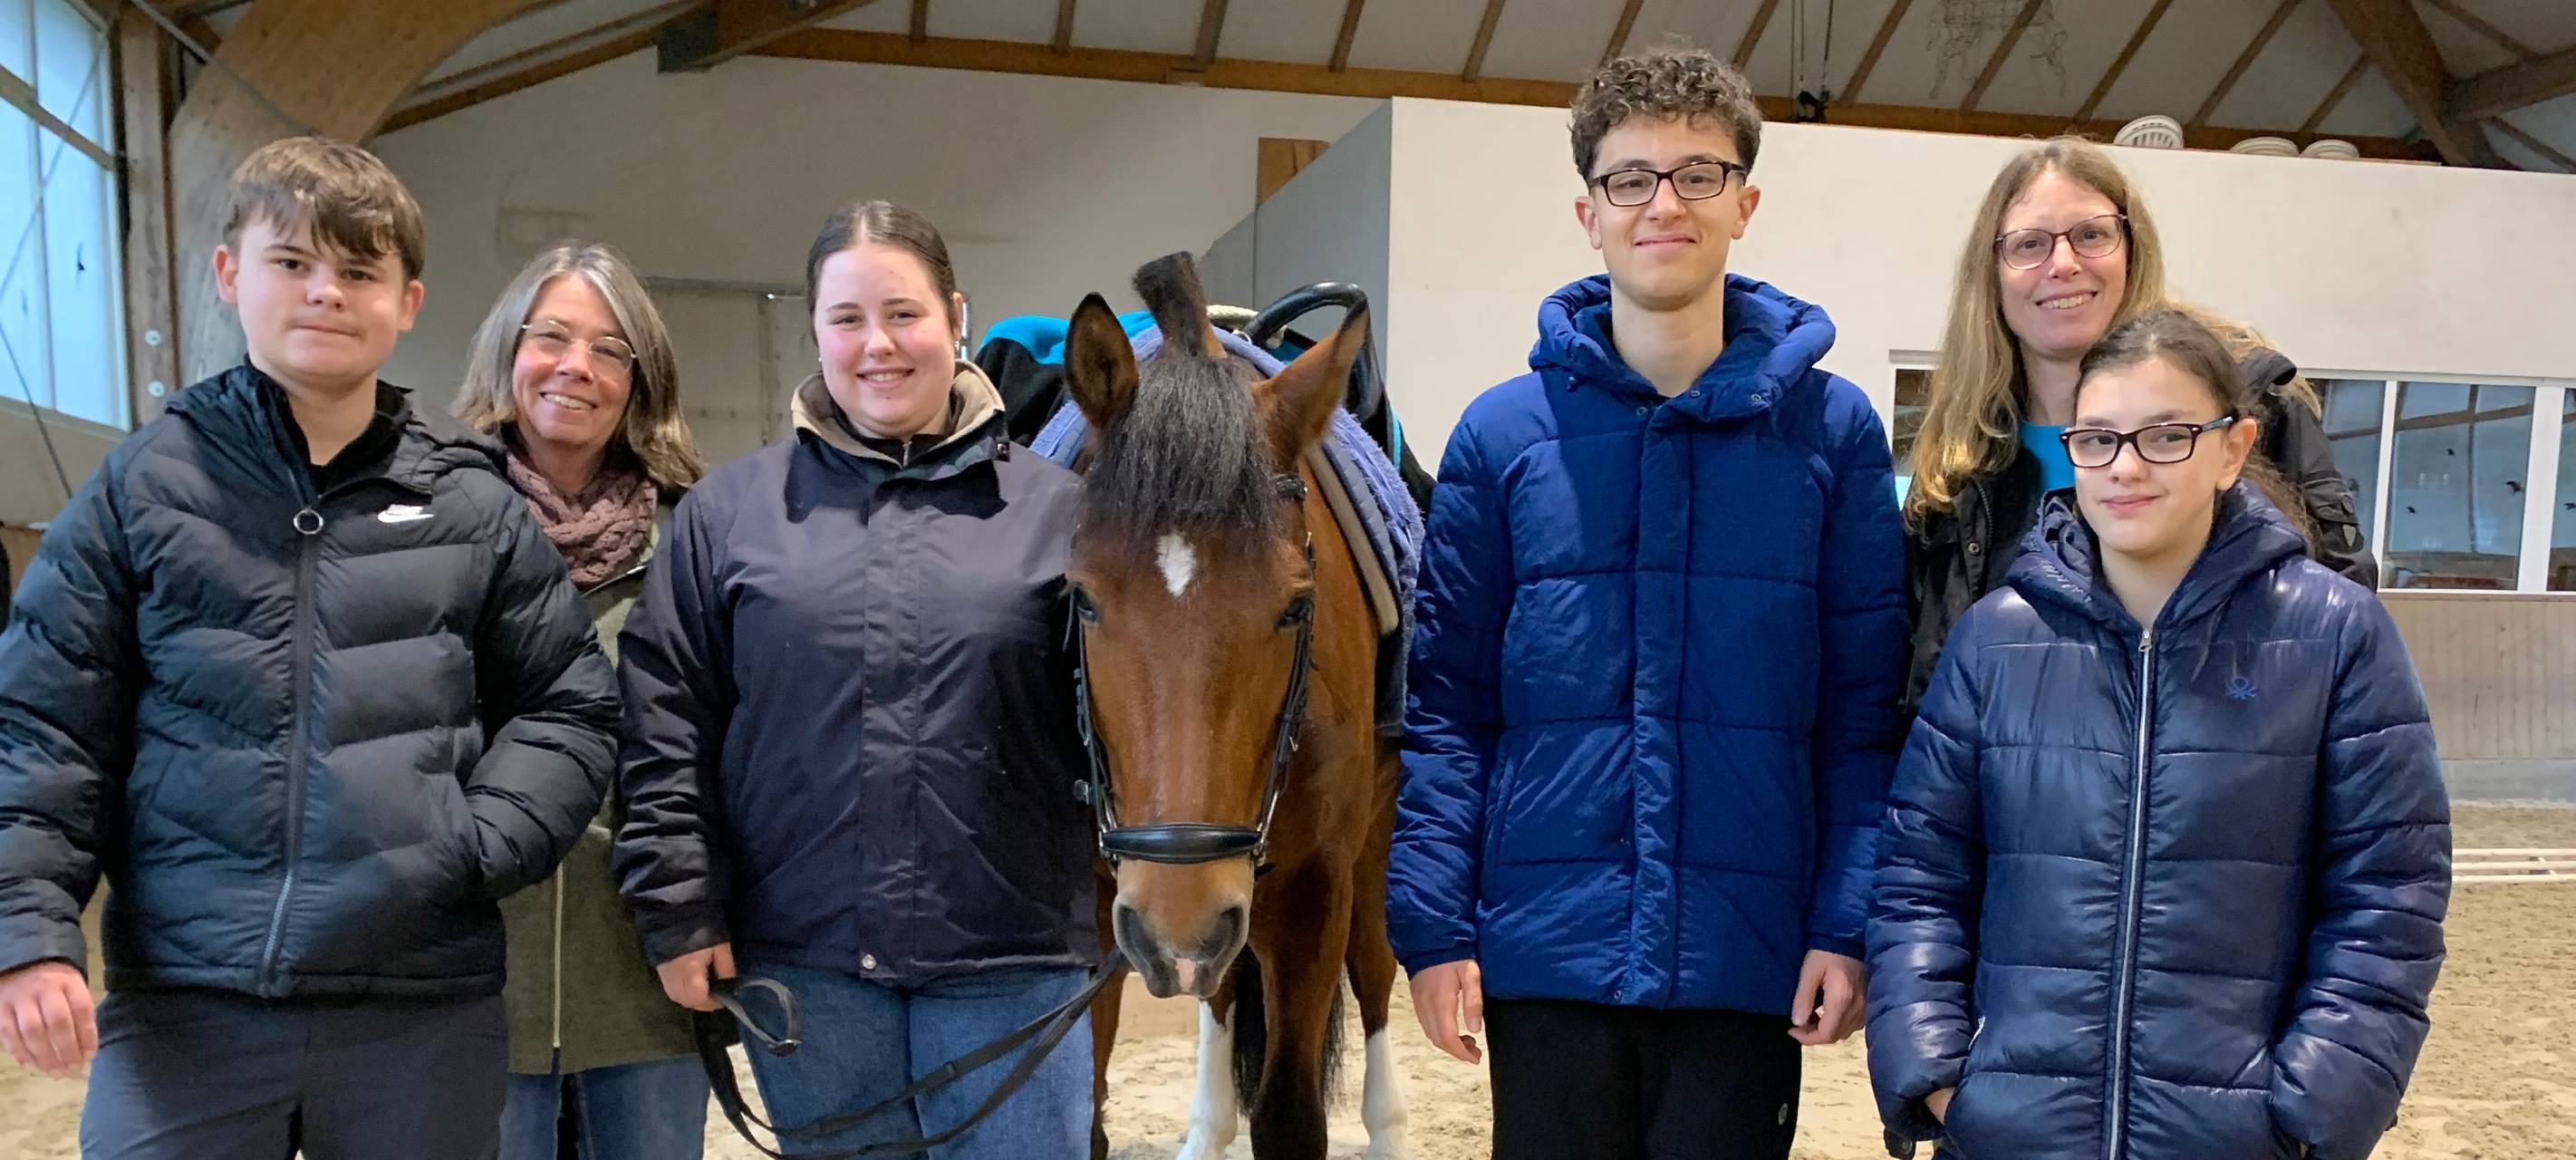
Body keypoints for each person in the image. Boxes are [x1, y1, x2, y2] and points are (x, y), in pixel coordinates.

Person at [0, 136, 620, 1158]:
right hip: (188, 1003)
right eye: (293, 263)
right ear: (230, 274)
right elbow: (41, 724)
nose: (326, 293)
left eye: (360, 270)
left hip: (417, 1005)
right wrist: (29, 928)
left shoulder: (473, 502)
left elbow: (569, 702)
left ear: (407, 301)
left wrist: (471, 843)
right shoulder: (139, 487)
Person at [1388, 46, 1907, 1160]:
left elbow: (1860, 716)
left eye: (1697, 174)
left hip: (1744, 954)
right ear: (1588, 211)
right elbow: (1448, 709)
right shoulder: (1500, 437)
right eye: (1632, 178)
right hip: (1546, 954)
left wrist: (1843, 921)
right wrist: (1432, 926)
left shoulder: (1834, 434)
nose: (1662, 203)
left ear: (1743, 202)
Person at [1867, 309, 2450, 1160]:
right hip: (2011, 1134)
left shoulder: (2335, 635)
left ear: (2232, 447)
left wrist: (2315, 1104)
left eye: (2166, 435)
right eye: (2097, 439)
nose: (2126, 467)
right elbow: (1921, 873)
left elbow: (2388, 895)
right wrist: (1943, 1076)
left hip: (2237, 1137)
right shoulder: (1997, 640)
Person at [613, 201, 1097, 1156]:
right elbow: (666, 723)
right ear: (816, 332)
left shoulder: (1066, 515)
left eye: (904, 313)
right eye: (846, 319)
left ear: (956, 316)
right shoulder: (728, 513)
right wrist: (678, 909)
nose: (877, 345)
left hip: (1012, 956)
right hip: (809, 961)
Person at [1902, 137, 2377, 710]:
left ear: (2133, 248)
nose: (2064, 264)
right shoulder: (1961, 464)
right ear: (1993, 273)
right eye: (2029, 244)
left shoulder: (2250, 405)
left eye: (2092, 234)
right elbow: (1924, 674)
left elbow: (2342, 633)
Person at [454, 242, 712, 1160]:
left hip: (644, 980)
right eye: (552, 336)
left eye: (610, 349)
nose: (577, 367)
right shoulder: (431, 524)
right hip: (473, 984)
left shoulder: (697, 540)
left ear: (640, 379)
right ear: (505, 351)